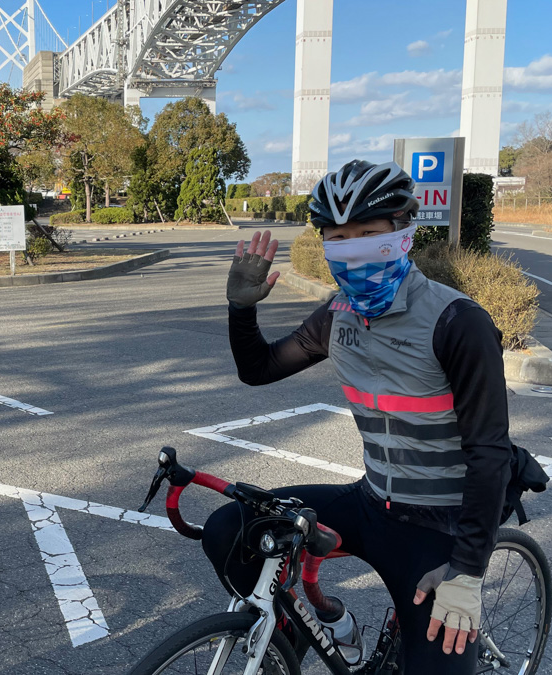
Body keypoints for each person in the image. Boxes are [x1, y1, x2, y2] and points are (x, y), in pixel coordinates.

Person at [205, 160, 512, 674]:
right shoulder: (337, 315)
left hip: (441, 526)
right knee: (228, 531)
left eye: (369, 234)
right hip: (372, 503)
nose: (354, 250)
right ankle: (327, 631)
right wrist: (241, 308)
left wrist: (467, 571)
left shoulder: (458, 322)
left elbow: (490, 453)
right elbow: (258, 370)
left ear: (404, 234)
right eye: (339, 238)